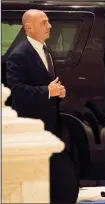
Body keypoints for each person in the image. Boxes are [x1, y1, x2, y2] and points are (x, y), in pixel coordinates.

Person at [6, 9, 78, 203]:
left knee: (57, 178)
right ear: (29, 28)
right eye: (44, 22)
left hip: (50, 122)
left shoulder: (45, 48)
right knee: (60, 178)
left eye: (48, 22)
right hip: (32, 125)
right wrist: (47, 91)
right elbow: (17, 91)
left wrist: (57, 91)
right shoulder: (18, 54)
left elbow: (47, 82)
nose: (50, 26)